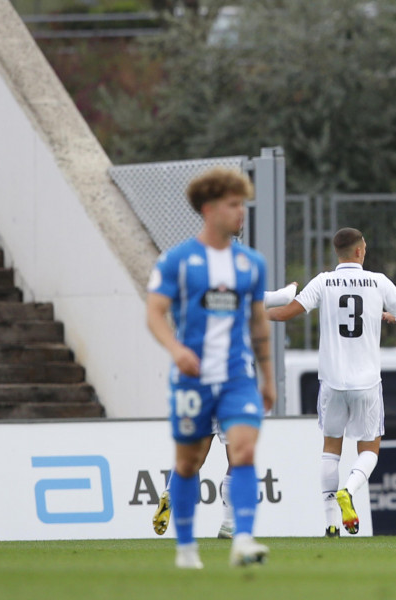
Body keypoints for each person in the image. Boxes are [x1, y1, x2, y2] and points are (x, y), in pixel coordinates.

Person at [146, 167, 273, 569]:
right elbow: (154, 313)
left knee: (245, 451)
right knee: (187, 463)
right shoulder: (178, 260)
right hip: (192, 379)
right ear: (209, 208)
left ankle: (243, 539)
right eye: (234, 204)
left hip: (237, 377)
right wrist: (175, 348)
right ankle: (186, 549)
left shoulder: (251, 263)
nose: (242, 213)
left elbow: (258, 322)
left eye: (243, 204)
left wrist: (268, 376)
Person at [266, 227, 396, 537]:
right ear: (359, 252)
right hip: (366, 382)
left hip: (332, 380)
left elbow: (285, 314)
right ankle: (349, 490)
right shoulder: (377, 281)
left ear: (337, 253)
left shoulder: (324, 281)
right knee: (370, 450)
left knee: (330, 449)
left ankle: (330, 524)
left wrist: (257, 313)